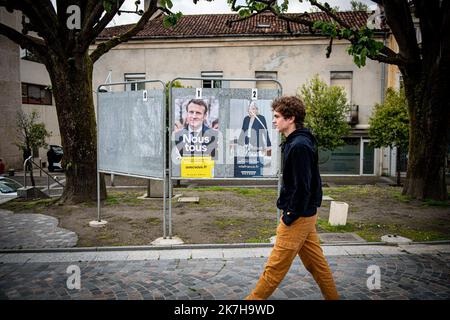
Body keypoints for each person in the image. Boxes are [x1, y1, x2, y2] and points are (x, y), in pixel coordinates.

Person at [245, 96, 339, 300]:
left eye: (277, 116)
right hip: (305, 215)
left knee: (274, 269)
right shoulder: (296, 142)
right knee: (317, 266)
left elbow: (303, 187)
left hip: (298, 217)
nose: (273, 120)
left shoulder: (299, 146)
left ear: (291, 119)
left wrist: (289, 216)